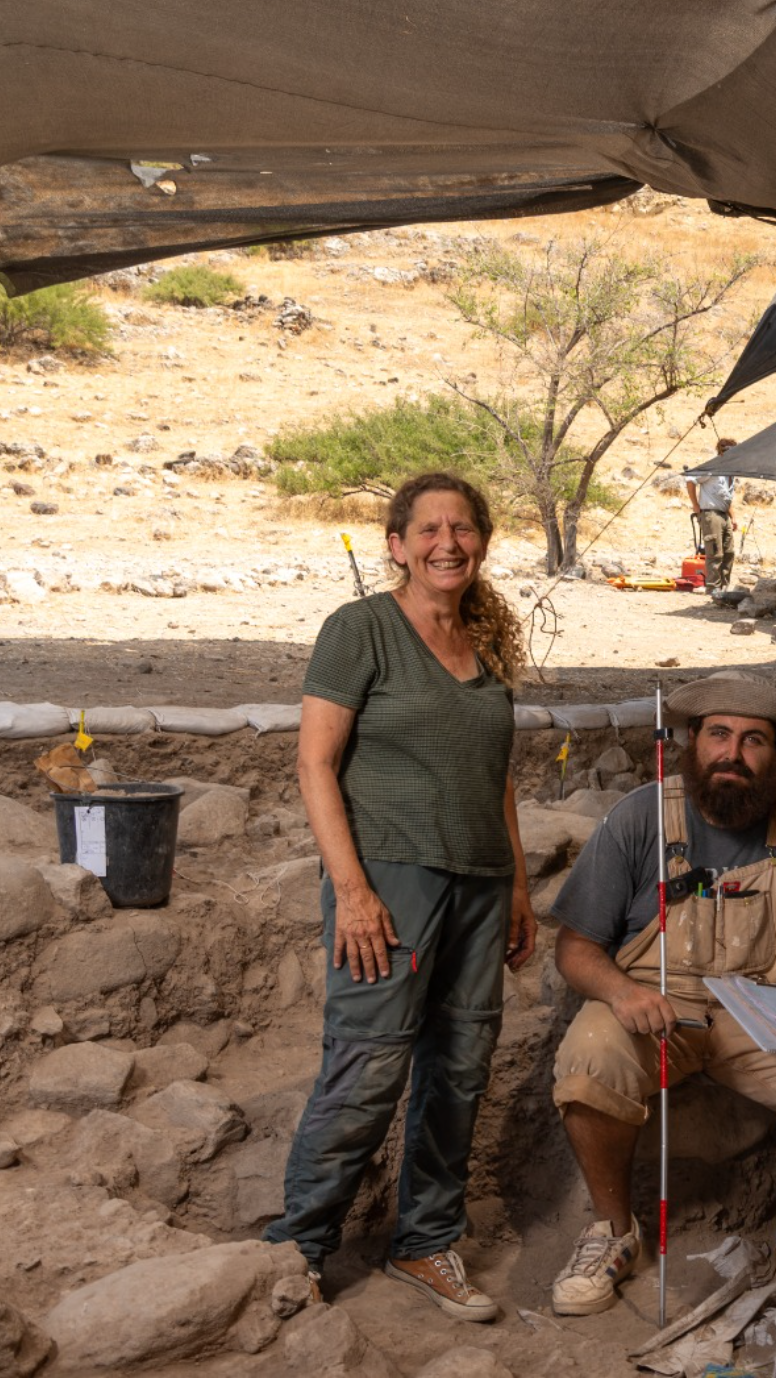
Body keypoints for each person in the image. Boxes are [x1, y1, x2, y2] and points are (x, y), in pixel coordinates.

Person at [264, 472, 537, 1323]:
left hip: (482, 885)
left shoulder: (485, 644)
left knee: (459, 1069)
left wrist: (520, 885)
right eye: (428, 529)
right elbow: (314, 763)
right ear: (396, 544)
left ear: (482, 543)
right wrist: (352, 890)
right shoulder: (361, 629)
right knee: (369, 1062)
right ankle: (297, 1247)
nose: (446, 542)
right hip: (391, 878)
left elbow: (495, 779)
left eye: (462, 528)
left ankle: (425, 1242)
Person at [546, 674, 776, 1317]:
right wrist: (621, 993)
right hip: (655, 1013)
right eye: (720, 735)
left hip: (763, 1017)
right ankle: (613, 1234)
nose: (733, 753)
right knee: (589, 1056)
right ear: (691, 742)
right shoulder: (639, 818)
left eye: (753, 739)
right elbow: (576, 948)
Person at [685, 439, 741, 593]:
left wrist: (733, 517)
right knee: (715, 552)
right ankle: (713, 588)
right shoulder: (713, 467)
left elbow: (726, 497)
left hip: (724, 515)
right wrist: (696, 505)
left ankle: (724, 586)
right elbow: (690, 480)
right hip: (711, 513)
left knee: (729, 552)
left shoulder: (729, 473)